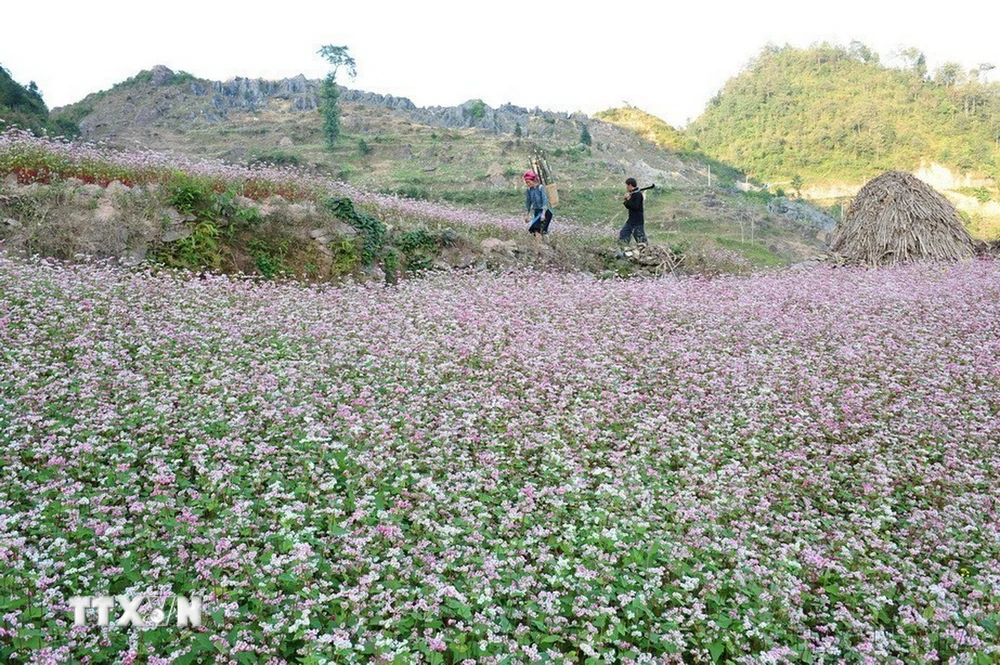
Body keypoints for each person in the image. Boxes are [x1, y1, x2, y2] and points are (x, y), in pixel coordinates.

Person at [523, 171, 553, 237]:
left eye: (529, 182)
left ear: (534, 180)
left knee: (537, 228)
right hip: (537, 211)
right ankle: (541, 244)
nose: (528, 184)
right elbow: (528, 203)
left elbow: (545, 200)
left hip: (546, 212)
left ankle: (540, 245)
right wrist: (527, 215)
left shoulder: (541, 188)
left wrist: (543, 214)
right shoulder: (529, 190)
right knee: (535, 230)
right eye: (526, 182)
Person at [619, 177, 647, 245]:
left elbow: (635, 206)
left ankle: (646, 252)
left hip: (637, 222)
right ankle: (623, 250)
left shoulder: (638, 194)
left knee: (641, 239)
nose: (626, 187)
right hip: (631, 220)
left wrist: (628, 199)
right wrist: (626, 199)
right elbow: (627, 206)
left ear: (630, 185)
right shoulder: (632, 194)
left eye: (627, 185)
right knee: (624, 234)